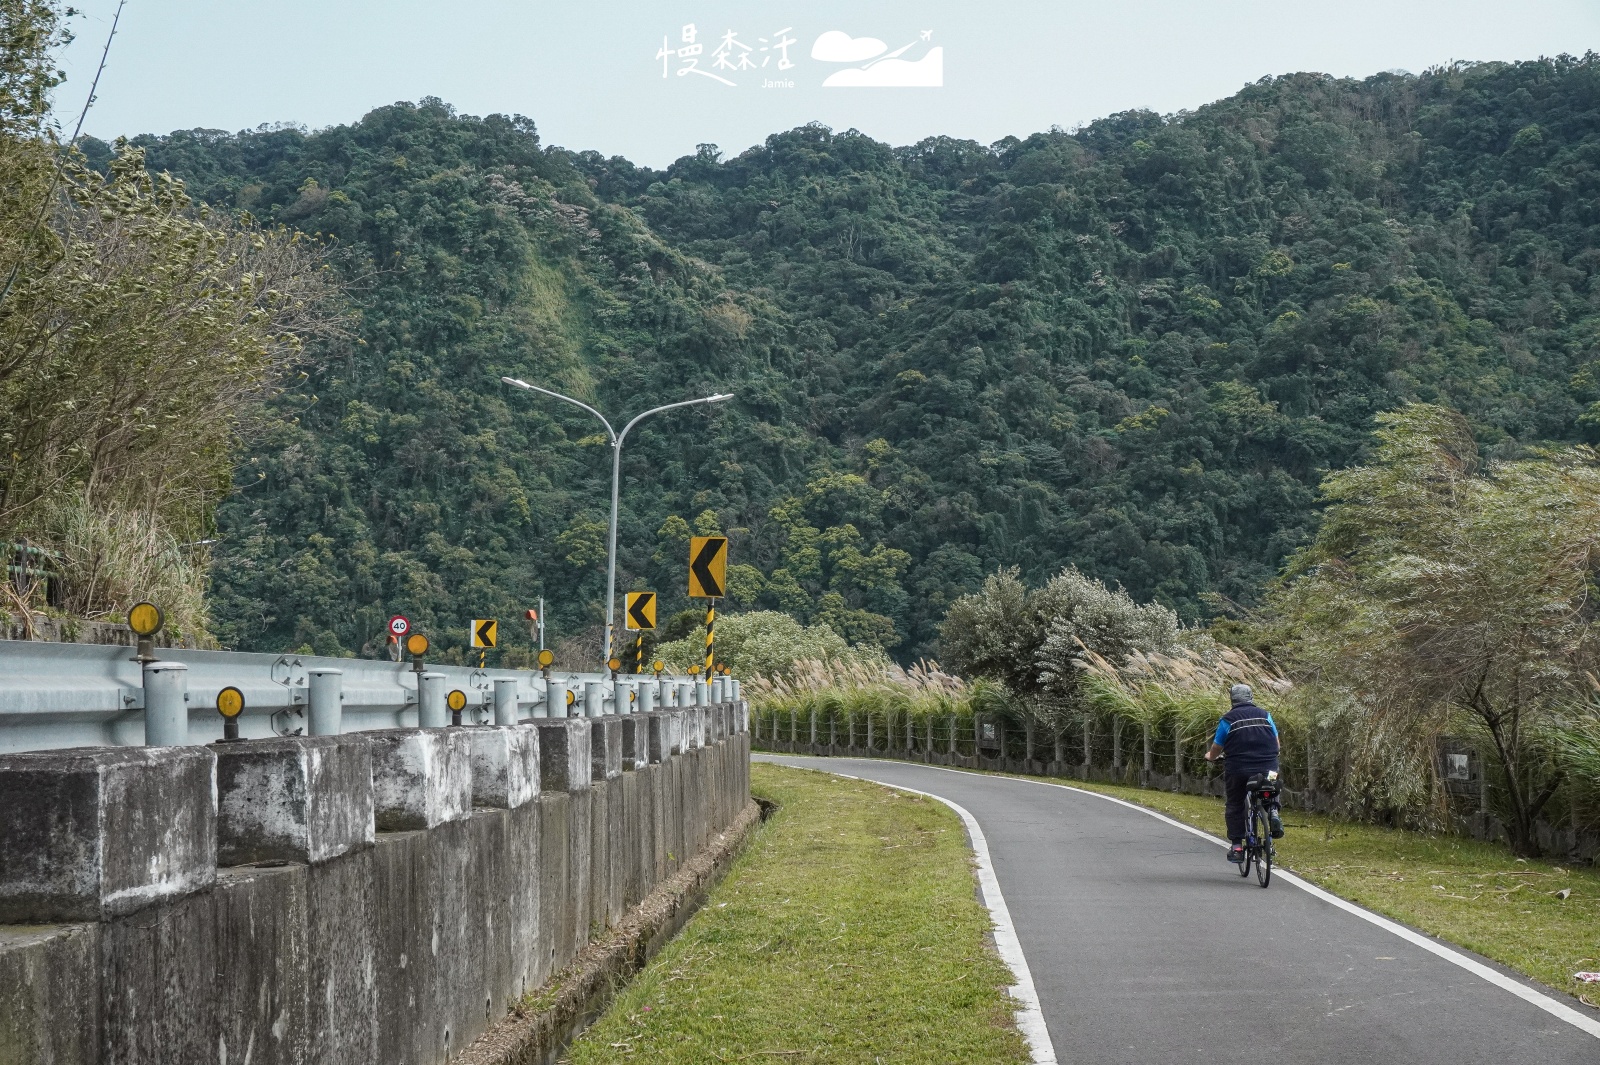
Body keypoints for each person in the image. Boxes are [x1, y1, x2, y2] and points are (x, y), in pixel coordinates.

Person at [1204, 683, 1284, 863]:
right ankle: (1273, 812)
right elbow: (1277, 744)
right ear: (1251, 698)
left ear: (1232, 699)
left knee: (1235, 803)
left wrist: (1210, 756)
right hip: (1269, 767)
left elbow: (1218, 747)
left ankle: (1237, 847)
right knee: (1272, 787)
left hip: (1239, 769)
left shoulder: (1228, 719)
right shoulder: (1266, 715)